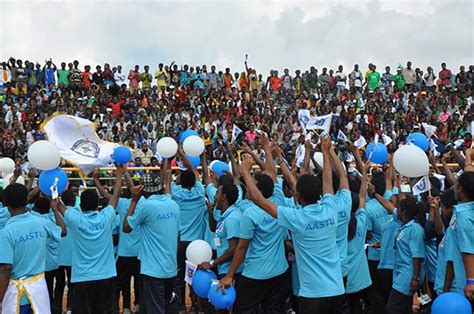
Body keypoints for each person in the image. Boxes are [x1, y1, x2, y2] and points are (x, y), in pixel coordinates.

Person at [231, 135, 345, 313]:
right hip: (337, 289)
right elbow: (328, 181)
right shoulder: (330, 208)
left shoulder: (297, 217)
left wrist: (245, 171)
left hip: (313, 294)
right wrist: (325, 151)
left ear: (298, 197)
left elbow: (258, 199)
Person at [219, 134, 289, 313]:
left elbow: (241, 247)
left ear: (258, 191)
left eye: (252, 185)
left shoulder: (249, 213)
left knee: (244, 310)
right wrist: (266, 149)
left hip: (255, 274)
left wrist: (230, 274)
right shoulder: (278, 200)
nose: (248, 186)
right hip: (279, 271)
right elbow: (272, 173)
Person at [59, 166, 124, 314]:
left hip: (82, 277)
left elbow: (57, 204)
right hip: (106, 275)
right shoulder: (106, 216)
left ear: (80, 206)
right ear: (98, 205)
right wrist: (119, 174)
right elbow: (115, 196)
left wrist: (51, 188)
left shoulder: (75, 219)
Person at [123, 159, 180, 314]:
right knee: (165, 307)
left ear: (143, 191)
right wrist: (165, 168)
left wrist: (134, 201)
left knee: (155, 309)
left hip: (153, 270)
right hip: (170, 267)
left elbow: (126, 227)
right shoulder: (173, 204)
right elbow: (178, 235)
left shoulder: (146, 206)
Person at [0, 183, 64, 313]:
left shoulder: (7, 232)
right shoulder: (40, 221)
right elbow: (62, 231)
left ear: (6, 203)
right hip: (39, 291)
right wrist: (55, 209)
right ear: (26, 200)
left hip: (15, 294)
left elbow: (5, 268)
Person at [171, 148, 207, 310]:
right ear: (194, 182)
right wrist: (182, 153)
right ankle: (195, 306)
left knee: (178, 277)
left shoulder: (175, 194)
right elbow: (194, 171)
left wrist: (171, 154)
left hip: (179, 244)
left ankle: (179, 307)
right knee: (195, 278)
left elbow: (166, 181)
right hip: (197, 245)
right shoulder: (200, 193)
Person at [386, 197, 426, 314]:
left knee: (392, 308)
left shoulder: (415, 229)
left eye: (397, 208)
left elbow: (417, 256)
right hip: (400, 272)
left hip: (408, 275)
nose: (395, 210)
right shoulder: (404, 226)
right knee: (404, 308)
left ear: (403, 212)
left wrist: (415, 278)